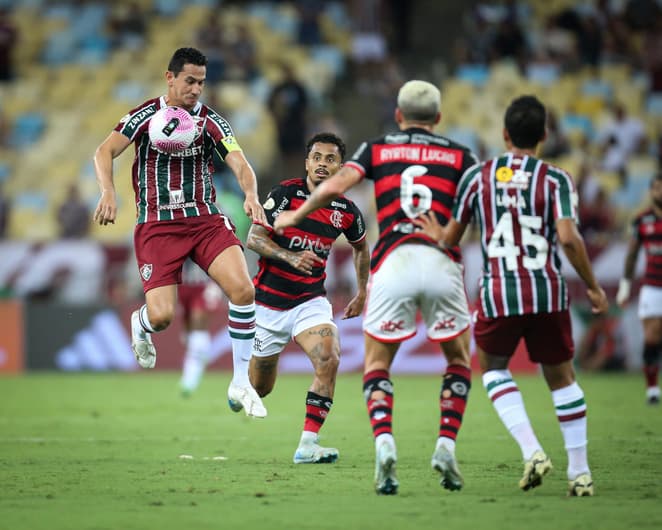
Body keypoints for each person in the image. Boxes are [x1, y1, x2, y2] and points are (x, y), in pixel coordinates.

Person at [274, 81, 479, 495]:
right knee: (457, 359)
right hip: (441, 261)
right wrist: (447, 235)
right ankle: (445, 444)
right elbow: (469, 212)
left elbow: (334, 186)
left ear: (398, 116)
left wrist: (297, 217)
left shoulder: (377, 149)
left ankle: (385, 441)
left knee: (377, 364)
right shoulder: (462, 156)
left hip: (394, 262)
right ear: (438, 120)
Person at [414, 95, 609, 497]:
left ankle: (532, 449)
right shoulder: (556, 179)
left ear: (504, 135)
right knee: (562, 379)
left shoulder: (477, 177)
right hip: (548, 292)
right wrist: (591, 284)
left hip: (500, 292)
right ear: (544, 136)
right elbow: (569, 239)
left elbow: (452, 237)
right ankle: (580, 473)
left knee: (494, 370)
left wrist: (438, 235)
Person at [93, 47, 268, 418]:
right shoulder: (145, 115)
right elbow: (104, 151)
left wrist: (251, 194)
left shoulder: (211, 122)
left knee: (243, 289)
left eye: (201, 83)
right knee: (162, 318)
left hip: (204, 219)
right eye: (190, 81)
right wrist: (108, 192)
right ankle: (140, 323)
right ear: (169, 77)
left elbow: (240, 162)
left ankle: (240, 382)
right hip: (157, 225)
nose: (196, 89)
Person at [247, 132, 370, 464]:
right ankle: (238, 383)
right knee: (259, 389)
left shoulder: (346, 210)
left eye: (330, 159)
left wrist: (362, 290)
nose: (322, 164)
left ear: (340, 167)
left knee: (329, 358)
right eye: (316, 157)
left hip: (309, 302)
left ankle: (308, 444)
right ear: (307, 162)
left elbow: (361, 248)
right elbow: (254, 238)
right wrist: (290, 257)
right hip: (268, 305)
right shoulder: (285, 195)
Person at [616, 172, 662, 405]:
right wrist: (625, 286)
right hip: (653, 286)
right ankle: (652, 388)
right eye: (656, 188)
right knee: (652, 337)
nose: (659, 192)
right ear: (651, 191)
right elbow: (632, 255)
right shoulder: (642, 220)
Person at [178, 258, 224, 397]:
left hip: (203, 283)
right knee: (189, 331)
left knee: (198, 320)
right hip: (183, 284)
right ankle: (200, 349)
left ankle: (189, 381)